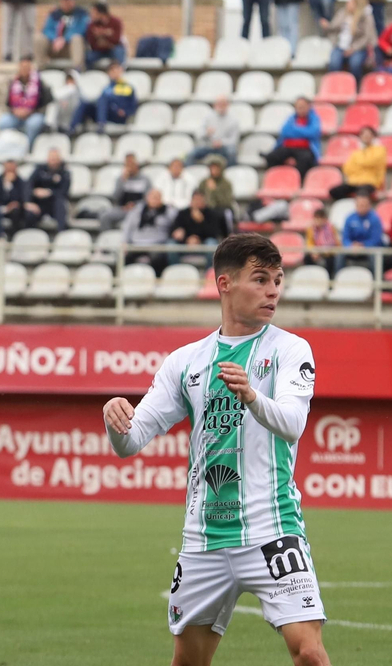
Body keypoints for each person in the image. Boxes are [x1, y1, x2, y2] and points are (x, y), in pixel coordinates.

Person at [103, 233, 331, 665]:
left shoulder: (290, 348)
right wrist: (114, 419)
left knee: (309, 654)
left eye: (277, 280)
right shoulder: (185, 361)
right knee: (188, 662)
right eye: (260, 279)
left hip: (272, 529)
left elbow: (293, 424)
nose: (273, 291)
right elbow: (129, 442)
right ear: (224, 283)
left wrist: (252, 397)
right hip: (203, 538)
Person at [0, 55, 53, 147]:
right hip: (16, 115)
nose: (24, 70)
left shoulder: (40, 83)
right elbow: (7, 103)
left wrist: (31, 111)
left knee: (33, 124)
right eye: (22, 67)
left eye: (27, 67)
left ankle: (28, 147)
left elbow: (47, 102)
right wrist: (14, 111)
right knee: (3, 122)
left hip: (34, 114)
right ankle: (7, 146)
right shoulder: (12, 82)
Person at [70, 62, 137, 134]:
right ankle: (72, 128)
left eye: (116, 70)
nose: (114, 73)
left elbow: (133, 105)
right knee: (85, 103)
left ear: (120, 70)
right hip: (106, 113)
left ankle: (101, 124)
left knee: (103, 98)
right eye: (111, 71)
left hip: (119, 116)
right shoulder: (106, 87)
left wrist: (125, 112)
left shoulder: (128, 87)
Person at [122, 188, 176, 271]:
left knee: (158, 259)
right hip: (137, 244)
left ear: (161, 199)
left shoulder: (168, 211)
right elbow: (127, 226)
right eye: (152, 197)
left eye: (157, 197)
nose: (154, 199)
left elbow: (176, 223)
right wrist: (125, 242)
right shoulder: (138, 210)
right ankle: (126, 277)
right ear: (147, 198)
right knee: (125, 258)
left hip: (157, 244)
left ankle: (157, 278)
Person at [322, 0, 376, 75]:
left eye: (350, 2)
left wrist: (353, 48)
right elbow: (333, 28)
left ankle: (356, 82)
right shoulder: (342, 13)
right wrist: (327, 26)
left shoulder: (366, 17)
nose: (347, 3)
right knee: (334, 64)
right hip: (340, 46)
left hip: (358, 48)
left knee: (355, 64)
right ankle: (335, 82)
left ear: (357, 4)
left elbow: (367, 37)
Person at [265, 98, 321, 175]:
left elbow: (312, 132)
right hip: (288, 147)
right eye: (298, 107)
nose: (300, 109)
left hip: (305, 148)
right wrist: (303, 132)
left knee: (305, 160)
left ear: (309, 107)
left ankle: (298, 180)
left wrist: (294, 130)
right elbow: (285, 131)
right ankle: (276, 178)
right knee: (272, 157)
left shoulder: (314, 119)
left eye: (303, 107)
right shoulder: (291, 118)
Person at [331, 125, 386, 200]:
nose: (366, 136)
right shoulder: (356, 152)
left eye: (368, 134)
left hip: (370, 182)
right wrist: (362, 164)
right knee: (334, 191)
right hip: (354, 181)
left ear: (373, 136)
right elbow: (347, 168)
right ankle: (349, 203)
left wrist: (358, 163)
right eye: (363, 134)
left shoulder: (380, 150)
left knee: (361, 193)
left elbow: (369, 162)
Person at [37, 0, 89, 65]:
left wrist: (64, 39)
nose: (66, 3)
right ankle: (39, 66)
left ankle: (77, 67)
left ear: (73, 1)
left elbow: (81, 29)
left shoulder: (81, 14)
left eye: (69, 0)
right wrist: (55, 39)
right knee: (38, 38)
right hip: (54, 47)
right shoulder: (54, 14)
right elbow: (47, 29)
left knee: (77, 38)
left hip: (70, 47)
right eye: (64, 0)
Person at [188, 95, 241, 165]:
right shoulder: (208, 117)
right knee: (192, 154)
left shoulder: (233, 120)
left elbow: (234, 140)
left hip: (224, 148)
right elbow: (199, 134)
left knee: (232, 152)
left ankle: (229, 171)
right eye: (219, 104)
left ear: (227, 105)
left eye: (223, 104)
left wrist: (221, 143)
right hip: (209, 146)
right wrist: (206, 133)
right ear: (214, 105)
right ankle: (189, 171)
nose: (221, 106)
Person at [340, 191, 385, 270]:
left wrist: (363, 245)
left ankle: (376, 276)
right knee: (339, 254)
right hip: (353, 248)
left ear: (369, 205)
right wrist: (350, 245)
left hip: (369, 249)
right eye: (360, 205)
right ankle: (337, 276)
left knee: (375, 255)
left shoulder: (375, 219)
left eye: (364, 205)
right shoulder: (350, 218)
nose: (362, 207)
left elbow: (376, 239)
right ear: (356, 205)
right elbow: (345, 238)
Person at [28, 147, 71, 229]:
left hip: (54, 204)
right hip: (40, 203)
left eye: (55, 159)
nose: (53, 161)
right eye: (51, 159)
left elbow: (64, 192)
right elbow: (29, 184)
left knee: (60, 204)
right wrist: (33, 193)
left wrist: (49, 192)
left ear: (59, 159)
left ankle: (62, 232)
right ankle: (27, 233)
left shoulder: (65, 173)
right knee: (30, 212)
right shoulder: (39, 170)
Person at [0, 159, 33, 235]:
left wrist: (10, 187)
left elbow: (22, 198)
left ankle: (14, 235)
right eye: (8, 169)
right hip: (0, 208)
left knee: (18, 212)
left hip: (15, 210)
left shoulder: (21, 182)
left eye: (12, 169)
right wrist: (4, 208)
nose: (9, 171)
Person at [84, 1, 126, 67]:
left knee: (119, 53)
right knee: (88, 57)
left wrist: (102, 33)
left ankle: (119, 71)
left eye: (93, 13)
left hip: (114, 49)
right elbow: (92, 43)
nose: (91, 15)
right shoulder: (92, 25)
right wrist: (107, 33)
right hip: (99, 50)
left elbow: (116, 40)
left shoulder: (116, 22)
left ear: (101, 13)